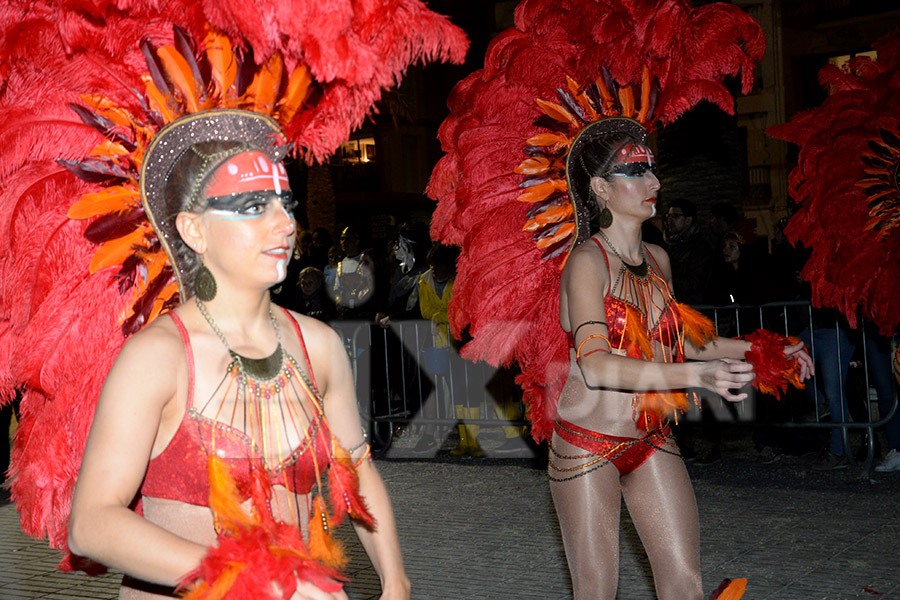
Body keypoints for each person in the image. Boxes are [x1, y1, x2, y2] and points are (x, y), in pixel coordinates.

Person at [67, 111, 409, 600]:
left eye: (285, 203)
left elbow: (359, 471)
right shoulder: (158, 357)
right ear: (193, 230)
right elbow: (92, 524)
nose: (284, 224)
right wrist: (265, 580)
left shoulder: (320, 346)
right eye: (252, 206)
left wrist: (396, 584)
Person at [550, 118, 813, 599]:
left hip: (651, 438)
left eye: (653, 170)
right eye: (636, 172)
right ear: (600, 189)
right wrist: (699, 376)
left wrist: (767, 348)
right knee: (596, 592)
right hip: (588, 445)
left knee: (685, 586)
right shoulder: (586, 262)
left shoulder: (658, 259)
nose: (655, 183)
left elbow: (684, 343)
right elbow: (597, 364)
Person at [662, 199, 712, 306]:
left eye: (675, 216)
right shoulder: (667, 245)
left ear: (688, 220)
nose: (670, 220)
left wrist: (666, 282)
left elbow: (696, 282)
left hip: (692, 308)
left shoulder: (699, 247)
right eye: (668, 216)